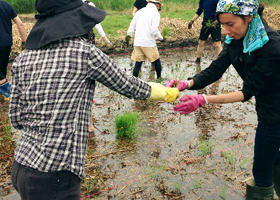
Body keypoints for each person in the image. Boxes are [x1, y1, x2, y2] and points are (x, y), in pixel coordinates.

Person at [8, 0, 179, 199]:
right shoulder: (84, 53)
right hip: (55, 173)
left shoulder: (23, 59)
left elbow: (16, 119)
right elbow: (128, 85)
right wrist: (164, 92)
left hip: (21, 167)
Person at [167, 0, 280, 199]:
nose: (226, 31)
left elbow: (247, 92)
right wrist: (187, 83)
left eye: (231, 24)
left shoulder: (271, 46)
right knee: (275, 159)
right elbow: (216, 69)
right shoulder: (236, 40)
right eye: (223, 25)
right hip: (268, 106)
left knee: (261, 169)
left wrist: (204, 99)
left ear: (248, 18)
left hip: (275, 113)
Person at [126, 0, 164, 80]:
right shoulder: (155, 13)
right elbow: (154, 29)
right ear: (157, 4)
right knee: (156, 60)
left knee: (138, 63)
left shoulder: (140, 12)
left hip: (137, 42)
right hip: (148, 43)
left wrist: (129, 35)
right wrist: (161, 38)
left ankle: (134, 81)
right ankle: (159, 79)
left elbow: (131, 26)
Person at [0, 0, 26, 101]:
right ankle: (3, 97)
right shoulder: (7, 5)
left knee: (0, 77)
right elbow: (20, 24)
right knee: (2, 70)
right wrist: (24, 42)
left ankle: (13, 97)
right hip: (6, 43)